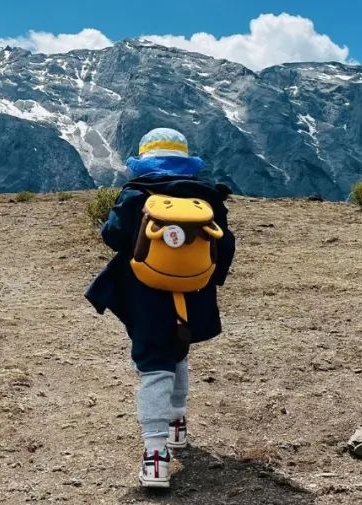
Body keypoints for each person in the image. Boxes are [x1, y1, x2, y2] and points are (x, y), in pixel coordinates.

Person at [85, 128, 236, 489]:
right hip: (193, 290)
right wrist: (207, 279)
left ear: (145, 162)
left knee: (155, 365)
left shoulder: (136, 194)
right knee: (179, 351)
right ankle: (177, 425)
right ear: (186, 162)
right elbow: (225, 246)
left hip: (146, 292)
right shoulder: (208, 196)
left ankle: (155, 456)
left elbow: (113, 236)